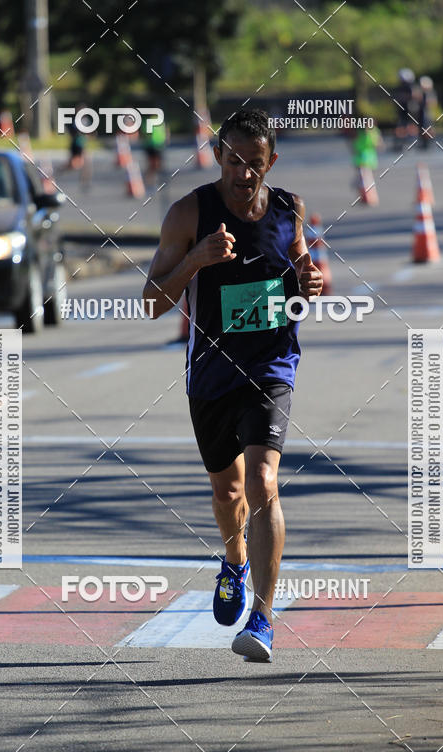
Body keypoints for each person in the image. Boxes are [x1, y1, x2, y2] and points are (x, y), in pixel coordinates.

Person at [143, 109, 323, 661]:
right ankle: (235, 560)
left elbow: (304, 272)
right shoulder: (188, 214)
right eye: (234, 161)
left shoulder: (289, 209)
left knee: (264, 482)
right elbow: (151, 303)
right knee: (228, 493)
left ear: (272, 161)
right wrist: (195, 260)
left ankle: (263, 619)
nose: (244, 173)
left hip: (271, 367)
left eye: (255, 163)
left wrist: (311, 282)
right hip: (212, 374)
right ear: (217, 155)